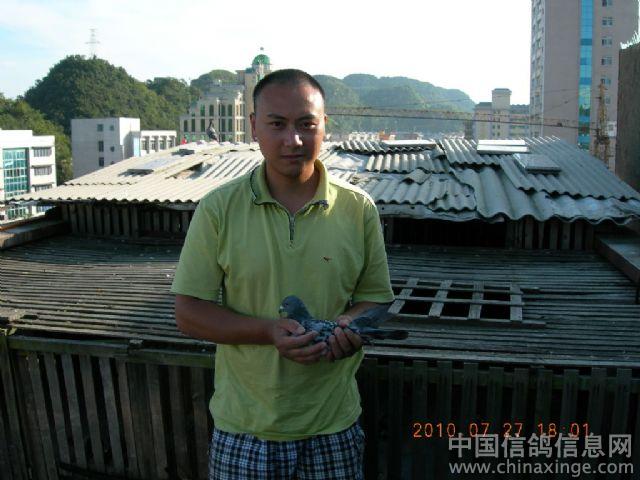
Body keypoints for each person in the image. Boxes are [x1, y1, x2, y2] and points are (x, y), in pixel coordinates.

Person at [171, 69, 394, 479]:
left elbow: (376, 299)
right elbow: (188, 313)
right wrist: (268, 332)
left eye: (306, 124)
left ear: (325, 126)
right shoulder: (219, 208)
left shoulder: (358, 208)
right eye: (277, 124)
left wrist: (349, 328)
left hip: (333, 426)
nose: (293, 140)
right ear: (254, 126)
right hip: (244, 429)